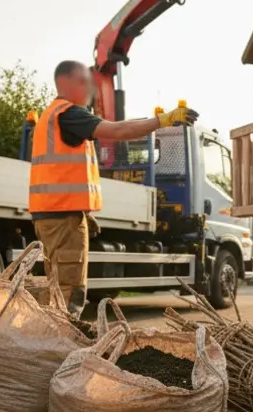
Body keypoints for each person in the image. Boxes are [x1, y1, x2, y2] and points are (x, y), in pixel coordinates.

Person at [28, 60, 198, 314]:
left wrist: (84, 213)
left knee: (58, 285)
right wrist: (162, 120)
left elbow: (61, 174)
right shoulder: (69, 114)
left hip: (54, 214)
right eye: (84, 83)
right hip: (62, 217)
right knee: (69, 288)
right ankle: (62, 343)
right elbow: (118, 130)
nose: (91, 91)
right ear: (65, 84)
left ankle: (55, 337)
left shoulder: (51, 116)